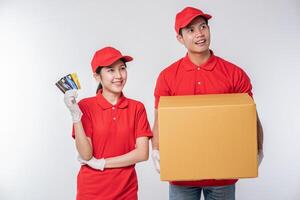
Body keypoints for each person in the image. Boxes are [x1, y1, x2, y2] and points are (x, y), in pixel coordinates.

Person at [151, 6, 264, 200]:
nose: (200, 34)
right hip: (181, 176)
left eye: (203, 26)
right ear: (180, 38)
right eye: (191, 30)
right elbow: (160, 120)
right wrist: (156, 149)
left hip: (223, 175)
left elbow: (250, 116)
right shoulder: (167, 76)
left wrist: (258, 147)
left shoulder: (234, 73)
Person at [64, 46, 153, 200]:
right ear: (97, 76)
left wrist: (102, 163)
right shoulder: (86, 106)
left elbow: (142, 153)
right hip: (91, 192)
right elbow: (86, 154)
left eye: (122, 68)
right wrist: (76, 116)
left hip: (126, 192)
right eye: (111, 70)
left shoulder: (137, 108)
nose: (119, 75)